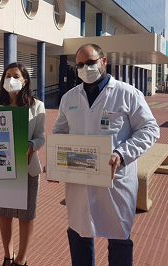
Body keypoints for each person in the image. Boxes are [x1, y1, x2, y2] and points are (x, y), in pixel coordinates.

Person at [52, 43, 160, 266]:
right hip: (79, 179)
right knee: (79, 233)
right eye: (80, 64)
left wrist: (122, 153)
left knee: (119, 237)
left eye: (90, 62)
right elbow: (60, 132)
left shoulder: (127, 93)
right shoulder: (69, 98)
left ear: (103, 61)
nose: (85, 68)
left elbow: (150, 129)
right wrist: (56, 161)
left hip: (115, 180)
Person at [0, 62, 45, 266]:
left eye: (16, 76)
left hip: (27, 169)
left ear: (25, 81)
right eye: (7, 76)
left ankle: (21, 259)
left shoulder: (36, 105)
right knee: (4, 213)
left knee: (26, 214)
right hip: (0, 167)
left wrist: (31, 145)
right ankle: (7, 255)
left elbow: (41, 137)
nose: (11, 80)